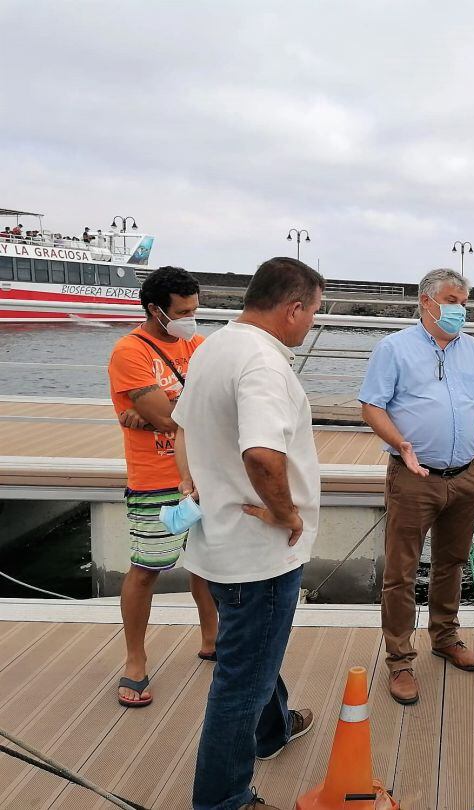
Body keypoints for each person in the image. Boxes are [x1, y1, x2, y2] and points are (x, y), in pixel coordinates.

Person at [174, 257, 325, 810]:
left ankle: (273, 728)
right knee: (241, 681)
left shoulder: (216, 345)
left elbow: (183, 424)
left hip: (218, 540)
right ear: (292, 308)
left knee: (254, 646)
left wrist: (193, 483)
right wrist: (287, 513)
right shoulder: (264, 364)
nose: (311, 322)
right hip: (258, 553)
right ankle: (224, 799)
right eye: (312, 311)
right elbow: (262, 454)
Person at [359, 268, 474, 705]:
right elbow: (371, 406)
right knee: (401, 573)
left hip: (465, 477)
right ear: (427, 301)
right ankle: (400, 660)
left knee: (452, 562)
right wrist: (399, 444)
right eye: (454, 300)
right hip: (414, 477)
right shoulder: (394, 349)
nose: (461, 309)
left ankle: (445, 636)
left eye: (464, 302)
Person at [106, 266, 218, 708]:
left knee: (208, 565)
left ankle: (212, 638)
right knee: (147, 569)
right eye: (184, 311)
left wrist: (158, 407)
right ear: (156, 309)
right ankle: (135, 661)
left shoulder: (198, 345)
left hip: (205, 473)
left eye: (195, 309)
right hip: (155, 479)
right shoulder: (129, 352)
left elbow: (216, 403)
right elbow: (173, 419)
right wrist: (167, 409)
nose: (192, 318)